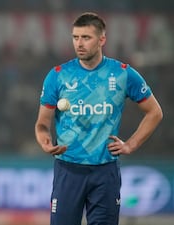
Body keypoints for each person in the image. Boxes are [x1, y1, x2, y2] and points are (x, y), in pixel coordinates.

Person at [35, 12, 163, 225]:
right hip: (68, 169)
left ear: (102, 39)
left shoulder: (123, 74)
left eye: (86, 37)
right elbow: (42, 124)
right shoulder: (58, 75)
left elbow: (155, 112)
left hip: (105, 171)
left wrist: (131, 144)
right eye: (75, 37)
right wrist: (44, 141)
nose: (79, 43)